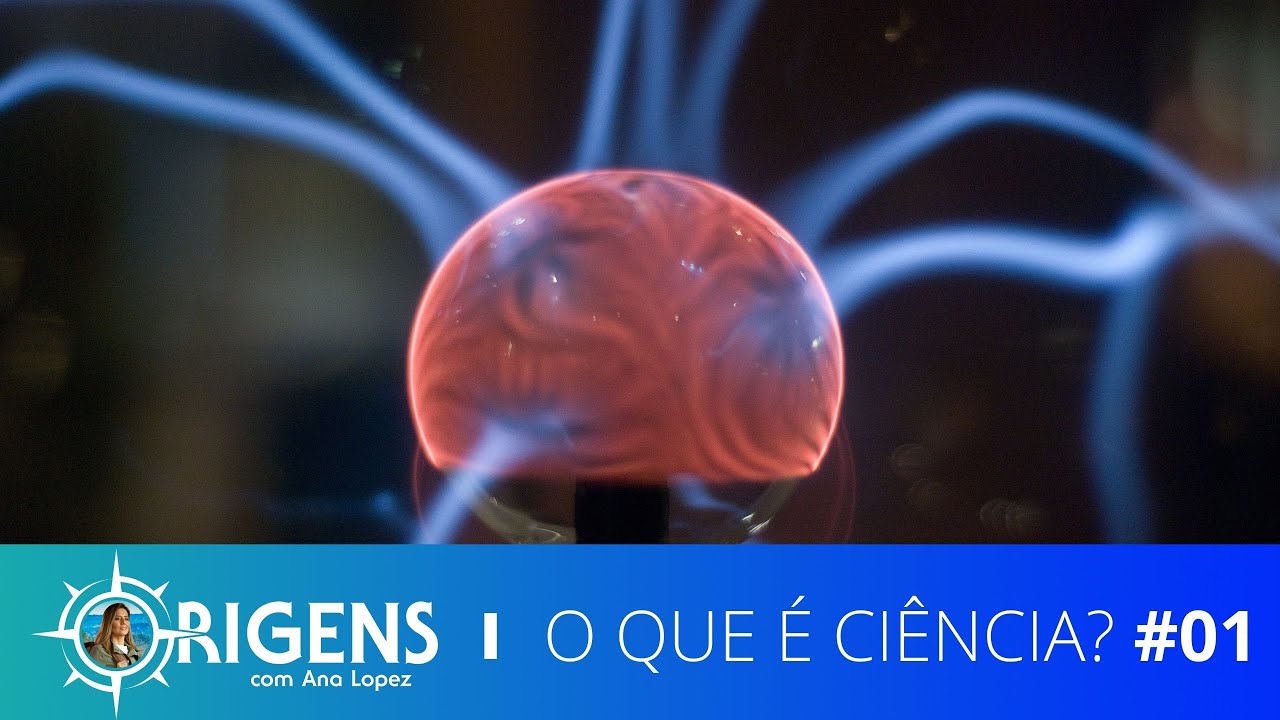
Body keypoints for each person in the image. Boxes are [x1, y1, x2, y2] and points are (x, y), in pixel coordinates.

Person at [87, 603, 143, 669]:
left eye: (126, 619)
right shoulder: (99, 651)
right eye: (117, 619)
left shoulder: (135, 653)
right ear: (109, 623)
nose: (123, 622)